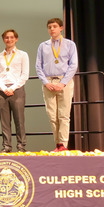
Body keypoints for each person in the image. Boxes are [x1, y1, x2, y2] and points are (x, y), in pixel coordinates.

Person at [36, 18, 78, 152]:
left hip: (64, 82)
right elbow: (38, 66)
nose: (52, 29)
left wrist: (63, 83)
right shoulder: (43, 46)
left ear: (61, 28)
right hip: (49, 82)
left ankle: (63, 145)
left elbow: (73, 65)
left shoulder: (70, 44)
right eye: (49, 27)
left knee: (64, 115)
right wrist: (46, 83)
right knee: (52, 115)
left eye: (54, 26)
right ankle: (57, 143)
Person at [0, 29, 29, 152]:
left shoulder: (23, 55)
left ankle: (21, 146)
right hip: (2, 91)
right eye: (7, 37)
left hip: (17, 89)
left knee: (19, 120)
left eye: (12, 37)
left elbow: (25, 75)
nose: (9, 39)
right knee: (4, 122)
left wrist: (12, 88)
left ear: (16, 39)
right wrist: (4, 88)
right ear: (4, 40)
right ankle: (6, 146)